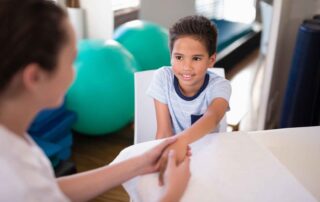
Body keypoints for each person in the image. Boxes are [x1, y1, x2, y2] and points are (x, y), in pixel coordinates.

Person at [0, 0, 190, 201]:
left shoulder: (12, 139)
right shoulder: (13, 178)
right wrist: (172, 193)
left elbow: (48, 189)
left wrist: (140, 163)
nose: (75, 72)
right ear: (35, 77)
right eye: (72, 60)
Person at [147, 15, 231, 184]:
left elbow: (212, 118)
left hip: (208, 157)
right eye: (179, 57)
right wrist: (165, 160)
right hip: (174, 154)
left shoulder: (221, 86)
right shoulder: (162, 78)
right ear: (171, 56)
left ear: (211, 60)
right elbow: (164, 132)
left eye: (196, 58)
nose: (186, 67)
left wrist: (181, 142)